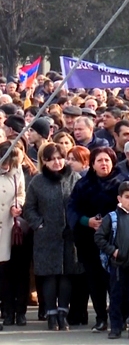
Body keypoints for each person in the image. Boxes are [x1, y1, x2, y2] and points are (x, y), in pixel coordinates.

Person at [23, 143, 82, 331]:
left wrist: (76, 222)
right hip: (46, 235)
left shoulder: (74, 178)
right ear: (45, 161)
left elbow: (81, 202)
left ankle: (63, 313)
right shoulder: (37, 182)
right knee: (49, 276)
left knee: (66, 275)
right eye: (52, 159)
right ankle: (50, 313)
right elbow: (29, 207)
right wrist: (38, 224)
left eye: (60, 158)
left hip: (69, 235)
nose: (57, 162)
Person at [67, 146, 125, 333]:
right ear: (92, 164)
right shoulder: (83, 184)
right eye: (99, 160)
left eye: (107, 160)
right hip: (89, 240)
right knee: (95, 281)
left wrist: (110, 222)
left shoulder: (121, 183)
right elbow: (73, 208)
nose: (104, 164)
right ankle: (101, 318)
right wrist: (87, 221)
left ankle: (118, 318)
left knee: (115, 282)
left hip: (115, 240)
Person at [94, 181, 129, 340]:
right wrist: (113, 251)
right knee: (117, 296)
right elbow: (99, 237)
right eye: (127, 197)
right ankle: (116, 326)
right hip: (118, 265)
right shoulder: (112, 218)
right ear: (119, 198)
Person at [0, 141, 28, 329]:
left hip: (13, 228)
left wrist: (17, 204)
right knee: (2, 274)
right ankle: (7, 310)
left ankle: (20, 311)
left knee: (18, 271)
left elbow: (20, 193)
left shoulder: (17, 172)